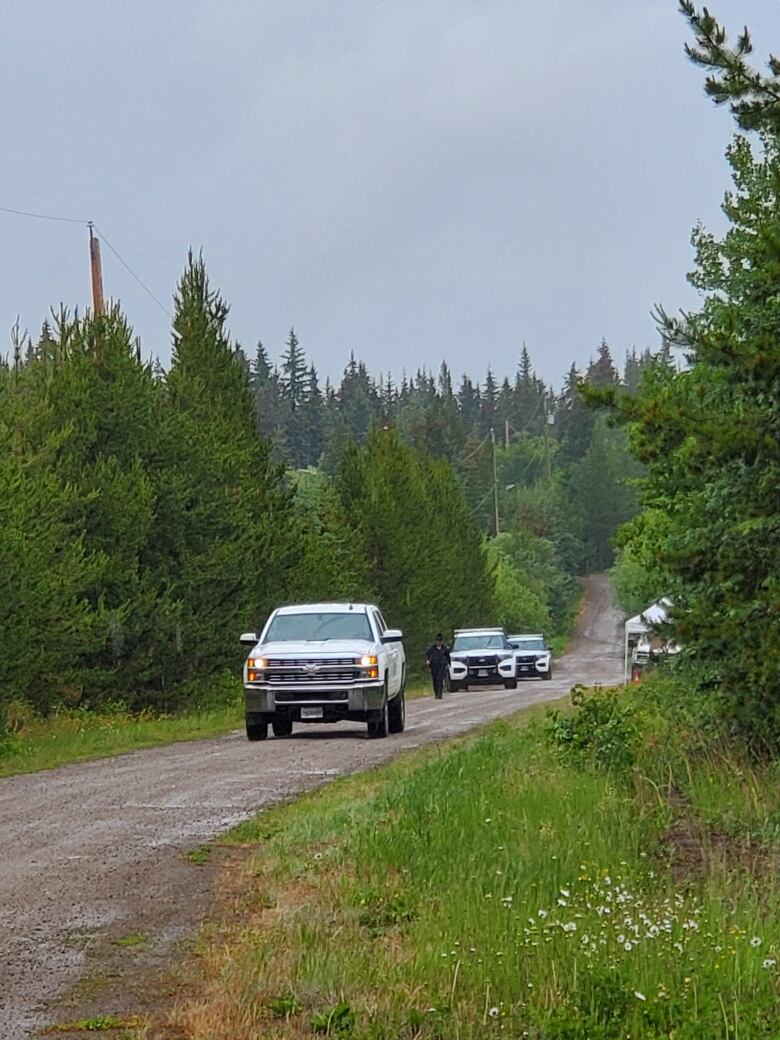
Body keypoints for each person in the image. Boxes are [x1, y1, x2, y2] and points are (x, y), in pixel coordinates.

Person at [425, 633, 451, 699]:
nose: (439, 642)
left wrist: (449, 664)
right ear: (436, 641)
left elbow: (448, 656)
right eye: (438, 641)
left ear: (442, 641)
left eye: (440, 641)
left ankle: (440, 694)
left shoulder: (444, 648)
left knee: (440, 680)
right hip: (434, 665)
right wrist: (427, 660)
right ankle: (436, 693)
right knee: (435, 680)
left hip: (441, 666)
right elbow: (427, 654)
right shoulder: (432, 648)